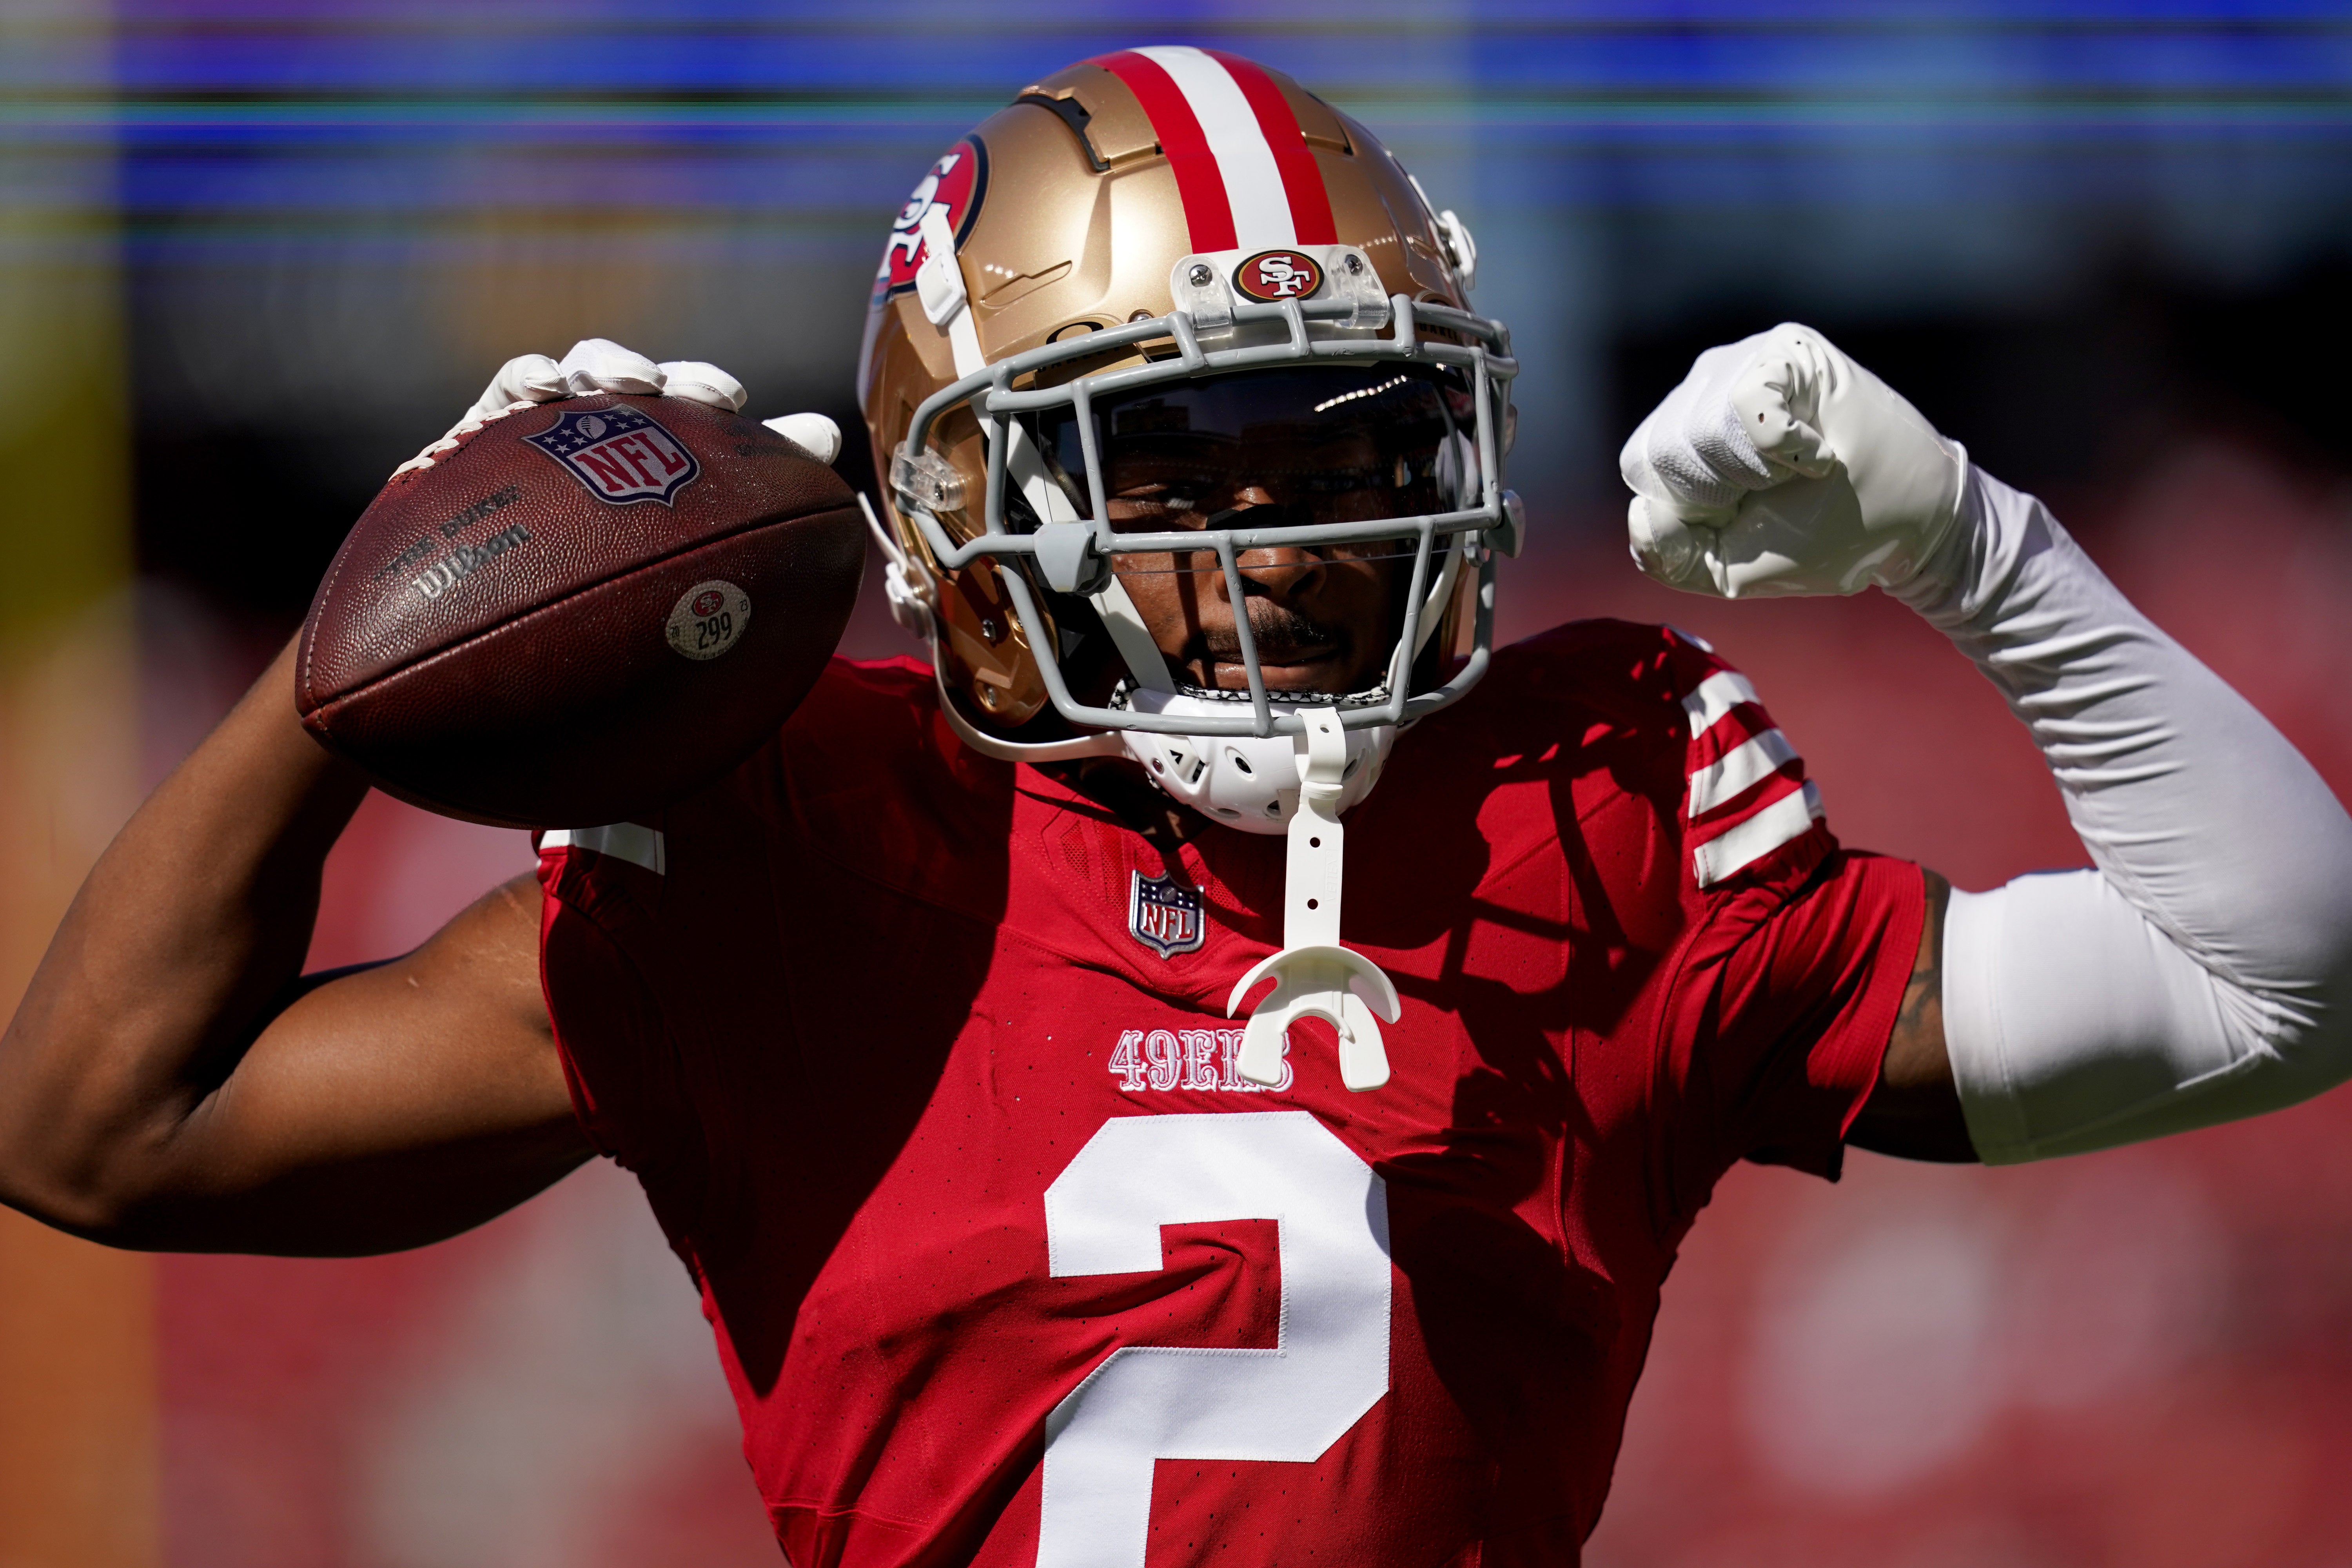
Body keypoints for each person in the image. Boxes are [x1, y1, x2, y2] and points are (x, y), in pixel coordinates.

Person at [3, 47, 2348, 1568]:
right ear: (975, 510)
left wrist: (1977, 547)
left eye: (1354, 445)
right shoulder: (795, 836)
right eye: (1189, 469)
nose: (1296, 541)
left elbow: (2276, 980)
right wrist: (355, 674)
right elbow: (101, 1130)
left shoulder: (1592, 811)